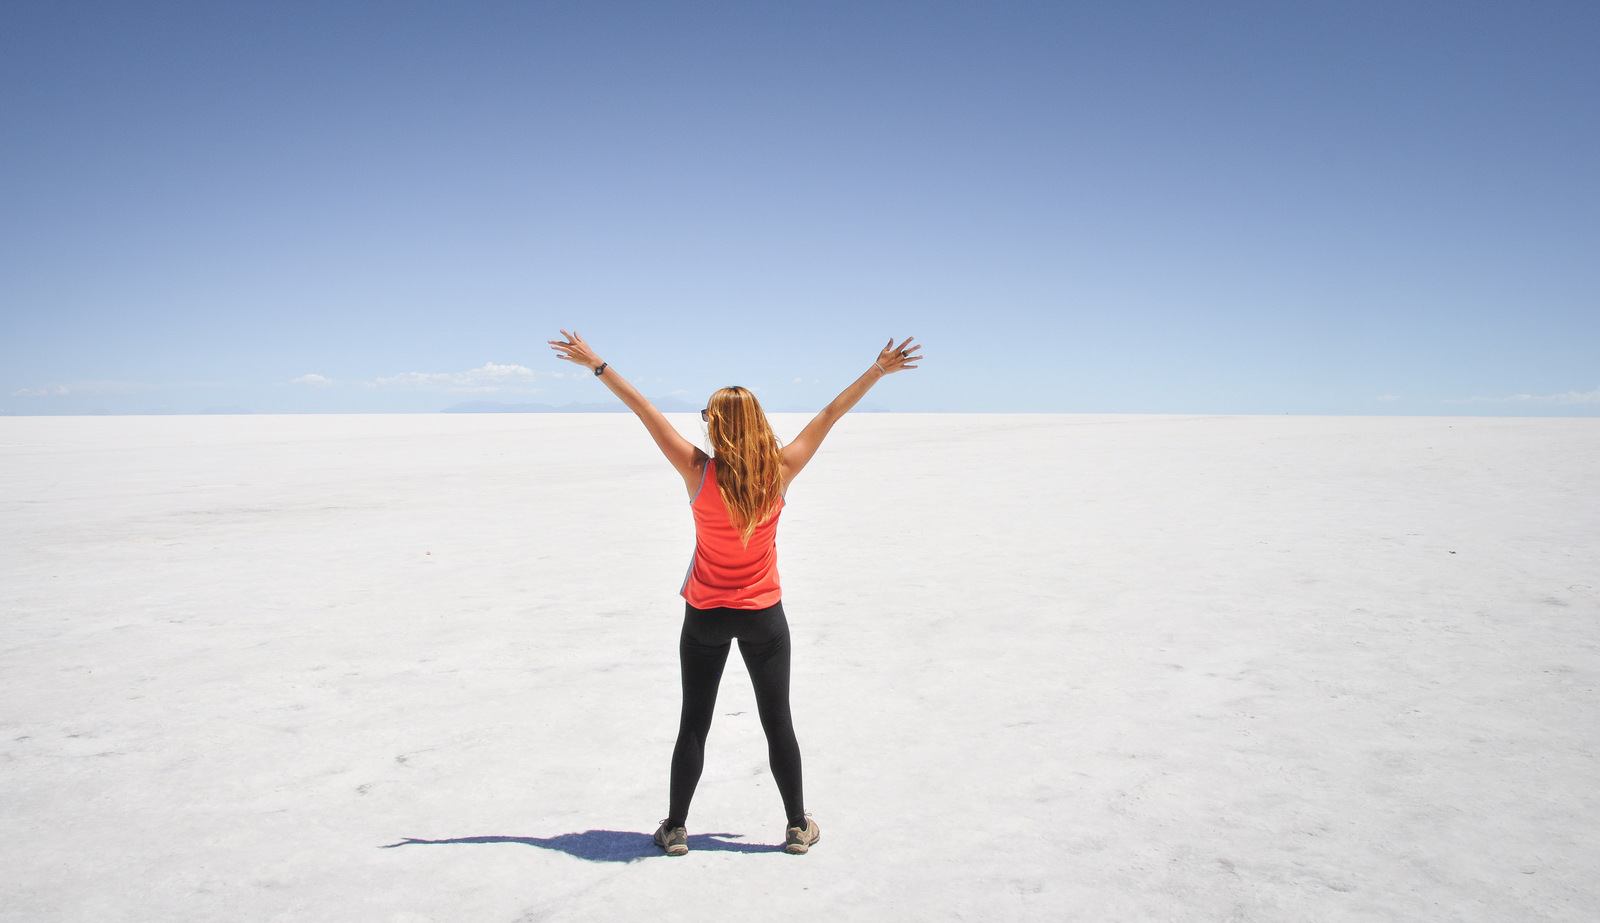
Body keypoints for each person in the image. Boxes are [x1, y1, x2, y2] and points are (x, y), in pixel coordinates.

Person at [548, 329, 924, 856]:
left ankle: (675, 828)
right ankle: (797, 826)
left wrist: (596, 365)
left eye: (705, 417)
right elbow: (830, 415)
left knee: (694, 725)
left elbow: (643, 409)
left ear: (716, 426)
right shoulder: (782, 470)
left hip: (705, 616)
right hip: (763, 616)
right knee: (778, 723)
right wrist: (877, 371)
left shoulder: (697, 470)